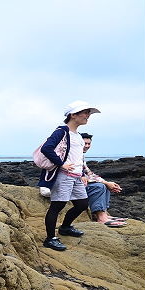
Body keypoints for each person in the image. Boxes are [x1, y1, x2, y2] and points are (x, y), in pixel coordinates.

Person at [37, 100, 100, 251]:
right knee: (57, 206)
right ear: (73, 115)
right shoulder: (62, 131)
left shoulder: (77, 135)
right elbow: (47, 148)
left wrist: (83, 173)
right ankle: (50, 238)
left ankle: (65, 228)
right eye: (85, 113)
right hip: (64, 175)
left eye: (88, 113)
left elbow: (78, 157)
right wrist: (61, 163)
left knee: (82, 204)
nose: (87, 116)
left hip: (76, 176)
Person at [81, 132, 127, 227]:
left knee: (104, 186)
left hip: (81, 183)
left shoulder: (80, 155)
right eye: (84, 143)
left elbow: (90, 174)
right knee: (98, 187)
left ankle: (104, 214)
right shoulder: (73, 155)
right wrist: (105, 183)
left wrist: (107, 183)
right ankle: (101, 218)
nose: (87, 146)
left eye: (89, 144)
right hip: (72, 185)